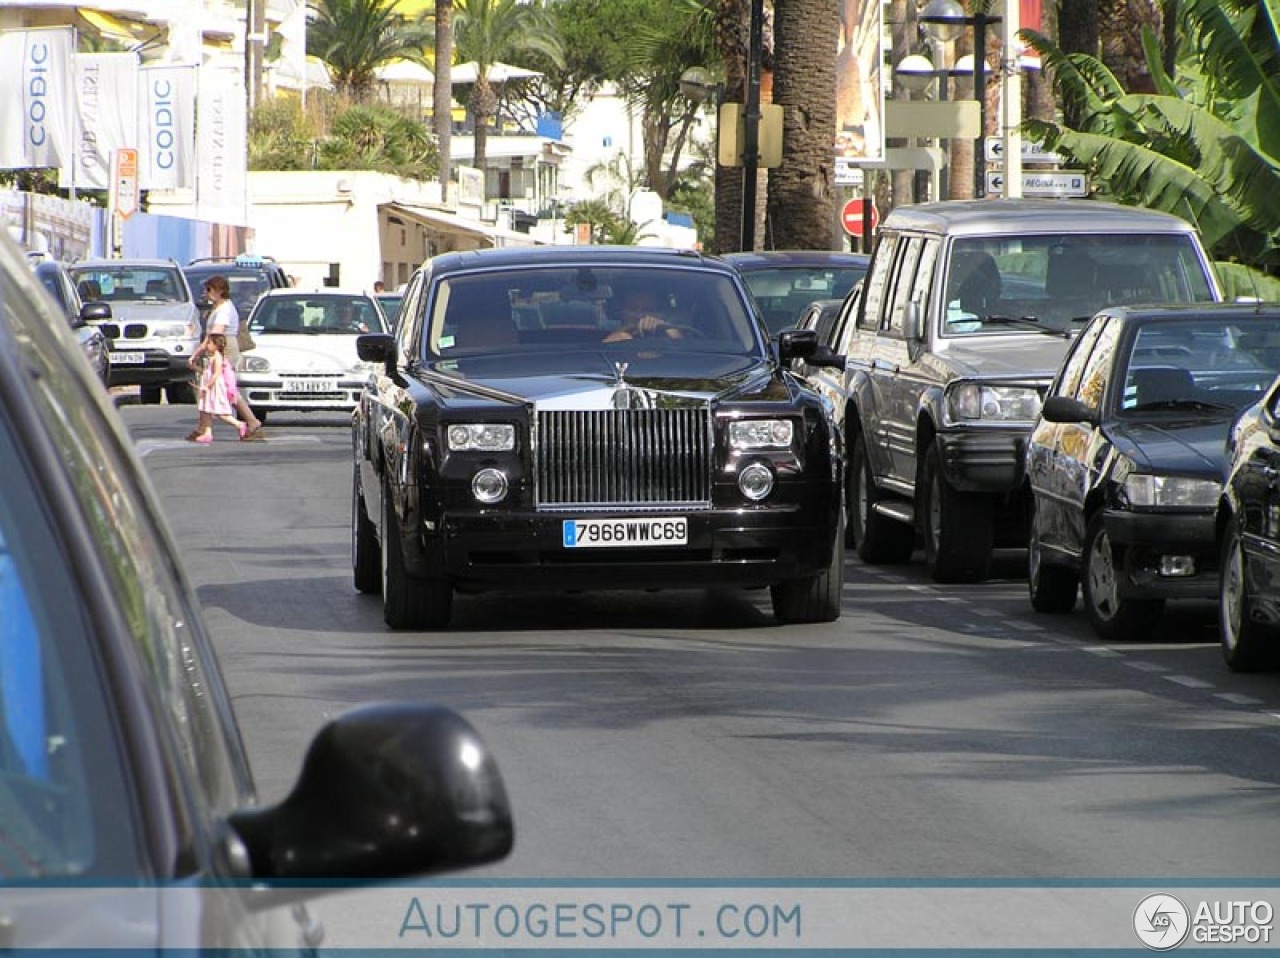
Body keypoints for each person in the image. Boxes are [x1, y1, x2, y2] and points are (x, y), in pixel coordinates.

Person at [189, 275, 266, 440]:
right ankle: (203, 428)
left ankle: (251, 422)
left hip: (224, 349)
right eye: (206, 290)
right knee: (212, 386)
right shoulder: (219, 307)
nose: (206, 293)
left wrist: (197, 353)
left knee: (224, 388)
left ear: (220, 291)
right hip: (218, 347)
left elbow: (215, 334)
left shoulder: (224, 310)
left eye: (210, 290)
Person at [188, 334, 246, 443]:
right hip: (210, 386)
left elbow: (216, 374)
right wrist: (195, 367)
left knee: (219, 412)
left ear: (216, 345)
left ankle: (239, 424)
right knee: (206, 409)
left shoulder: (217, 357)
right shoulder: (212, 357)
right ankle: (207, 433)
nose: (207, 345)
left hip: (214, 387)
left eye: (209, 343)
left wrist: (207, 386)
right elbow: (207, 372)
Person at [603, 288, 683, 343]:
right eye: (633, 309)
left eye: (648, 310)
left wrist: (665, 329)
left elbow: (683, 348)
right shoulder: (605, 328)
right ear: (623, 312)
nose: (639, 315)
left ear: (661, 314)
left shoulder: (669, 335)